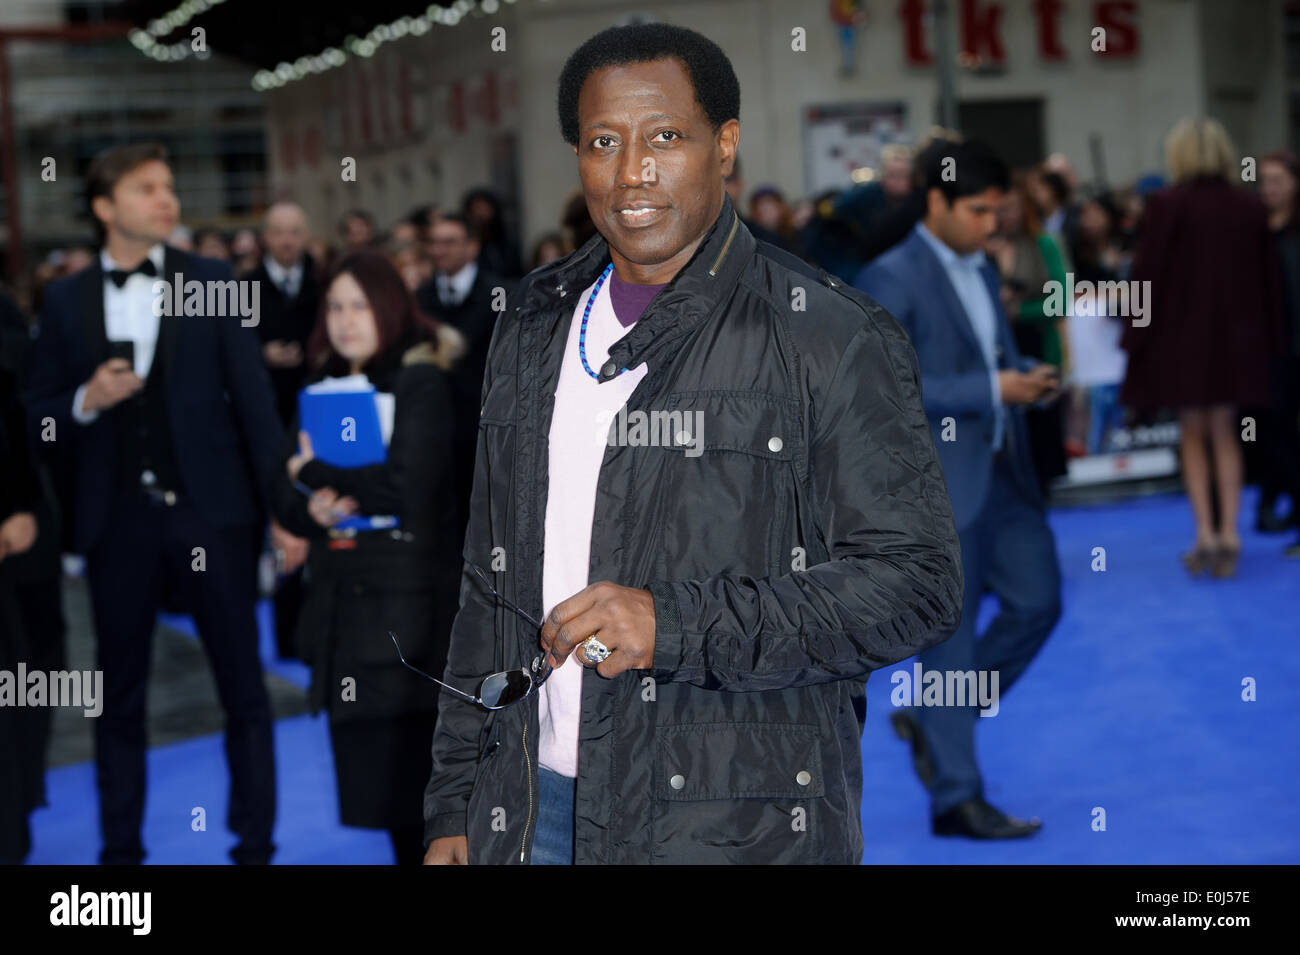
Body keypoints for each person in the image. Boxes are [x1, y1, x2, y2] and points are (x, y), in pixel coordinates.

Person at [422, 22, 961, 866]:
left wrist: (672, 623)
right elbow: (486, 579)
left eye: (665, 137)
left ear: (726, 146)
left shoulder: (830, 336)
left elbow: (917, 585)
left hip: (732, 828)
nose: (632, 170)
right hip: (529, 807)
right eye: (604, 142)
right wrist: (456, 798)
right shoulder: (530, 325)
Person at [25, 142, 281, 865]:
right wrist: (85, 399)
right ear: (107, 208)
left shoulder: (212, 278)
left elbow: (256, 405)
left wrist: (284, 514)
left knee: (245, 687)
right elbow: (35, 414)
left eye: (169, 186)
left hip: (215, 513)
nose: (166, 199)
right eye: (146, 188)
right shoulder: (66, 298)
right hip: (119, 524)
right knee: (118, 694)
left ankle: (255, 845)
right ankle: (119, 855)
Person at [856, 138, 1062, 840]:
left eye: (999, 211)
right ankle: (955, 796)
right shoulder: (891, 277)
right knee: (948, 646)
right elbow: (885, 391)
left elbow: (983, 357)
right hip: (935, 489)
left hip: (1003, 472)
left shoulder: (977, 265)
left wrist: (1019, 379)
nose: (993, 224)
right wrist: (991, 388)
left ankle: (939, 719)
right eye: (978, 210)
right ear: (936, 201)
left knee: (1039, 602)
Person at [272, 252, 463, 864]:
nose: (345, 320)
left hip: (405, 619)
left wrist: (315, 472)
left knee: (418, 797)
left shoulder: (421, 380)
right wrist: (313, 511)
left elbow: (410, 490)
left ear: (388, 307)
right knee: (382, 802)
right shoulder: (320, 387)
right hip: (342, 611)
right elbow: (287, 493)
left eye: (359, 305)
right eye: (334, 306)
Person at [1119, 119, 1283, 578]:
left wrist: (1136, 336)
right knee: (1227, 433)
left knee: (1192, 435)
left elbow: (1147, 280)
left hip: (1183, 343)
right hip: (1240, 344)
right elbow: (1270, 283)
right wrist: (1273, 344)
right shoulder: (1250, 208)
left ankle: (1206, 535)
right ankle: (1231, 531)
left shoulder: (1167, 206)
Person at [242, 200, 322, 660]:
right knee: (276, 525)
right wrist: (261, 357)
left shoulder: (321, 284)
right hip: (263, 422)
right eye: (279, 232)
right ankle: (285, 636)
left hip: (313, 422)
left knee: (314, 521)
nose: (288, 241)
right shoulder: (244, 289)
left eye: (295, 231)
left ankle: (312, 632)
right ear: (265, 238)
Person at [414, 213, 510, 555]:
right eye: (434, 242)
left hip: (488, 429)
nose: (440, 250)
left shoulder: (501, 292)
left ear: (472, 246)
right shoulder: (419, 298)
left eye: (449, 241)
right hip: (434, 428)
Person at [985, 173, 1070, 487]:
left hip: (1036, 347)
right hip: (996, 355)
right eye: (1000, 208)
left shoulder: (1043, 243)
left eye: (1013, 208)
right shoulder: (980, 249)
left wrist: (1019, 309)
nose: (1007, 216)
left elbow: (1060, 300)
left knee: (1041, 446)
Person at [1255, 151, 1300, 549]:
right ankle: (1275, 501)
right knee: (1274, 431)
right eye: (1264, 180)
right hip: (1271, 350)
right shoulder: (1255, 233)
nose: (1270, 188)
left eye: (1278, 180)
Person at [462, 187, 523, 279]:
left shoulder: (507, 243)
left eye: (485, 208)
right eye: (477, 208)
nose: (481, 214)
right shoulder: (465, 244)